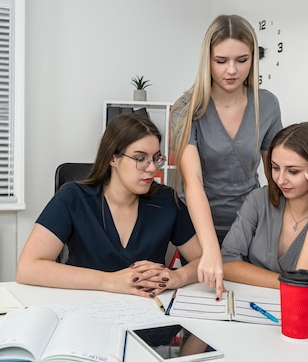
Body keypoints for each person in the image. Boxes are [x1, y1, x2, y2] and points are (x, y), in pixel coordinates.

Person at [16, 113, 202, 298]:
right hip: (84, 308)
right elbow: (27, 268)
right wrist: (108, 281)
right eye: (140, 158)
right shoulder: (74, 197)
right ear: (113, 158)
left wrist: (178, 276)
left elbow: (203, 259)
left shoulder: (166, 201)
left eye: (155, 158)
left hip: (147, 310)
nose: (152, 168)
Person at [170, 14, 282, 298]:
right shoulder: (186, 108)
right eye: (221, 61)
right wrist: (209, 250)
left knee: (248, 300)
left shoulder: (267, 104)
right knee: (203, 299)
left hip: (248, 223)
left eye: (241, 60)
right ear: (206, 60)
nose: (231, 70)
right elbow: (192, 180)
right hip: (197, 226)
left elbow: (276, 175)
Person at [221, 122, 308, 301]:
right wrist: (290, 284)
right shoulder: (259, 200)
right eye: (275, 168)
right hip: (252, 309)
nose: (280, 179)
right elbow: (227, 263)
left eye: (293, 171)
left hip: (304, 318)